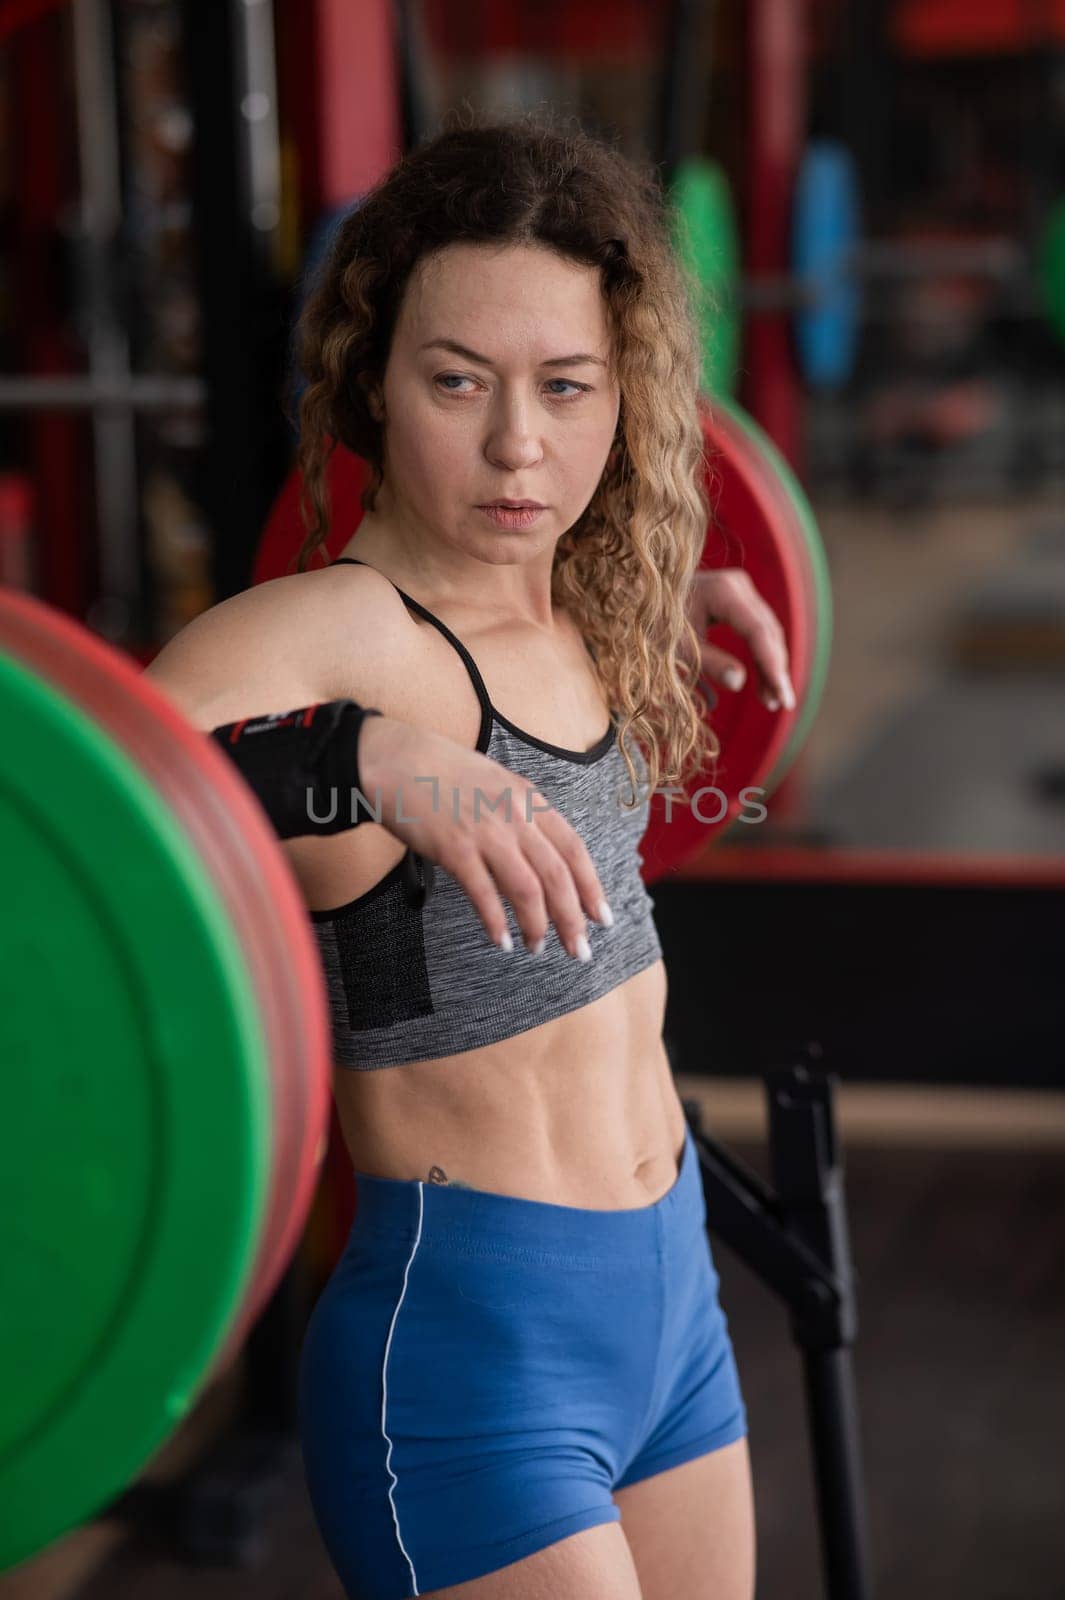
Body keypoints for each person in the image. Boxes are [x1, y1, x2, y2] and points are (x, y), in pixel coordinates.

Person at [148, 107, 793, 1600]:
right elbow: (81, 810)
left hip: (672, 1311)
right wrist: (344, 757)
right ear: (372, 379)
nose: (520, 446)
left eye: (567, 389)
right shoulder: (329, 634)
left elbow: (566, 582)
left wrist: (669, 589)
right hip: (470, 1360)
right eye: (457, 383)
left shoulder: (578, 594)